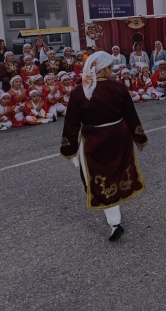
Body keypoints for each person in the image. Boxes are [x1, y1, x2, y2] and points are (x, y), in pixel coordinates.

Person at [60, 51, 150, 241]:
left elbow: (71, 123)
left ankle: (115, 222)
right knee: (116, 174)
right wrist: (139, 138)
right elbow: (130, 114)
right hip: (119, 137)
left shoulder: (79, 91)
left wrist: (70, 150)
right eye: (111, 67)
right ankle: (114, 221)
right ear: (106, 68)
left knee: (100, 177)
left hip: (95, 140)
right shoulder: (118, 88)